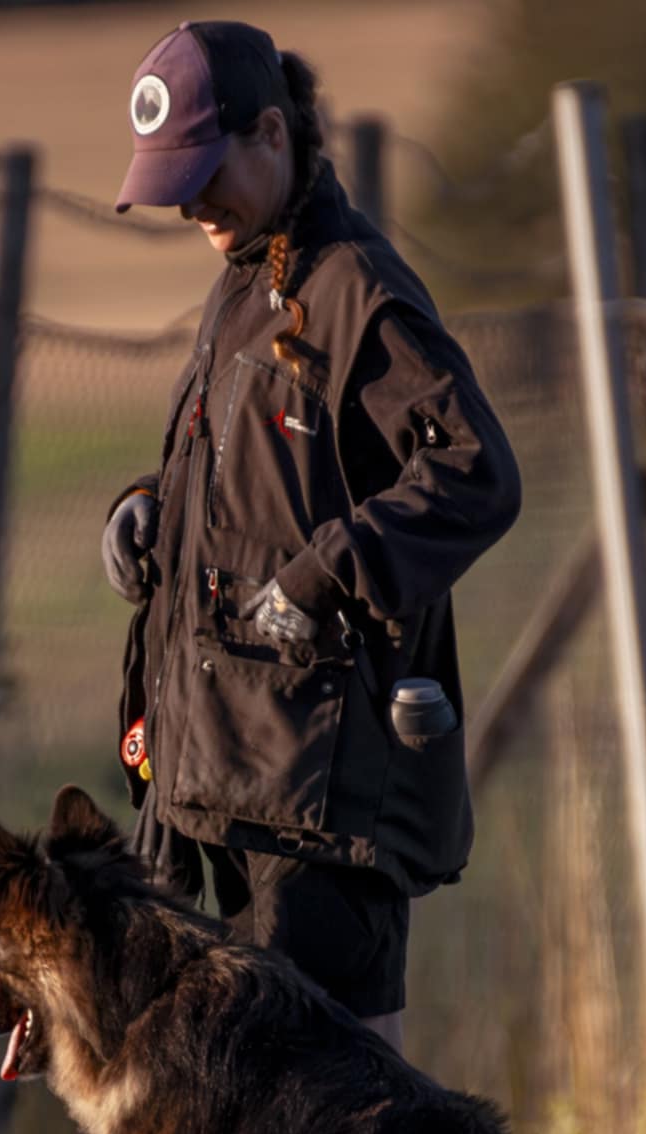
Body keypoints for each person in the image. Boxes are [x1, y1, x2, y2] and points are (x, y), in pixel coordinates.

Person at [102, 21, 522, 1051]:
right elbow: (265, 475)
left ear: (273, 134)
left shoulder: (354, 292)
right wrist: (147, 506)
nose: (191, 201)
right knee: (236, 1131)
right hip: (218, 787)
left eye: (203, 170)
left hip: (318, 799)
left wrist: (326, 574)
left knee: (341, 1128)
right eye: (172, 183)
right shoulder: (245, 280)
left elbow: (476, 473)